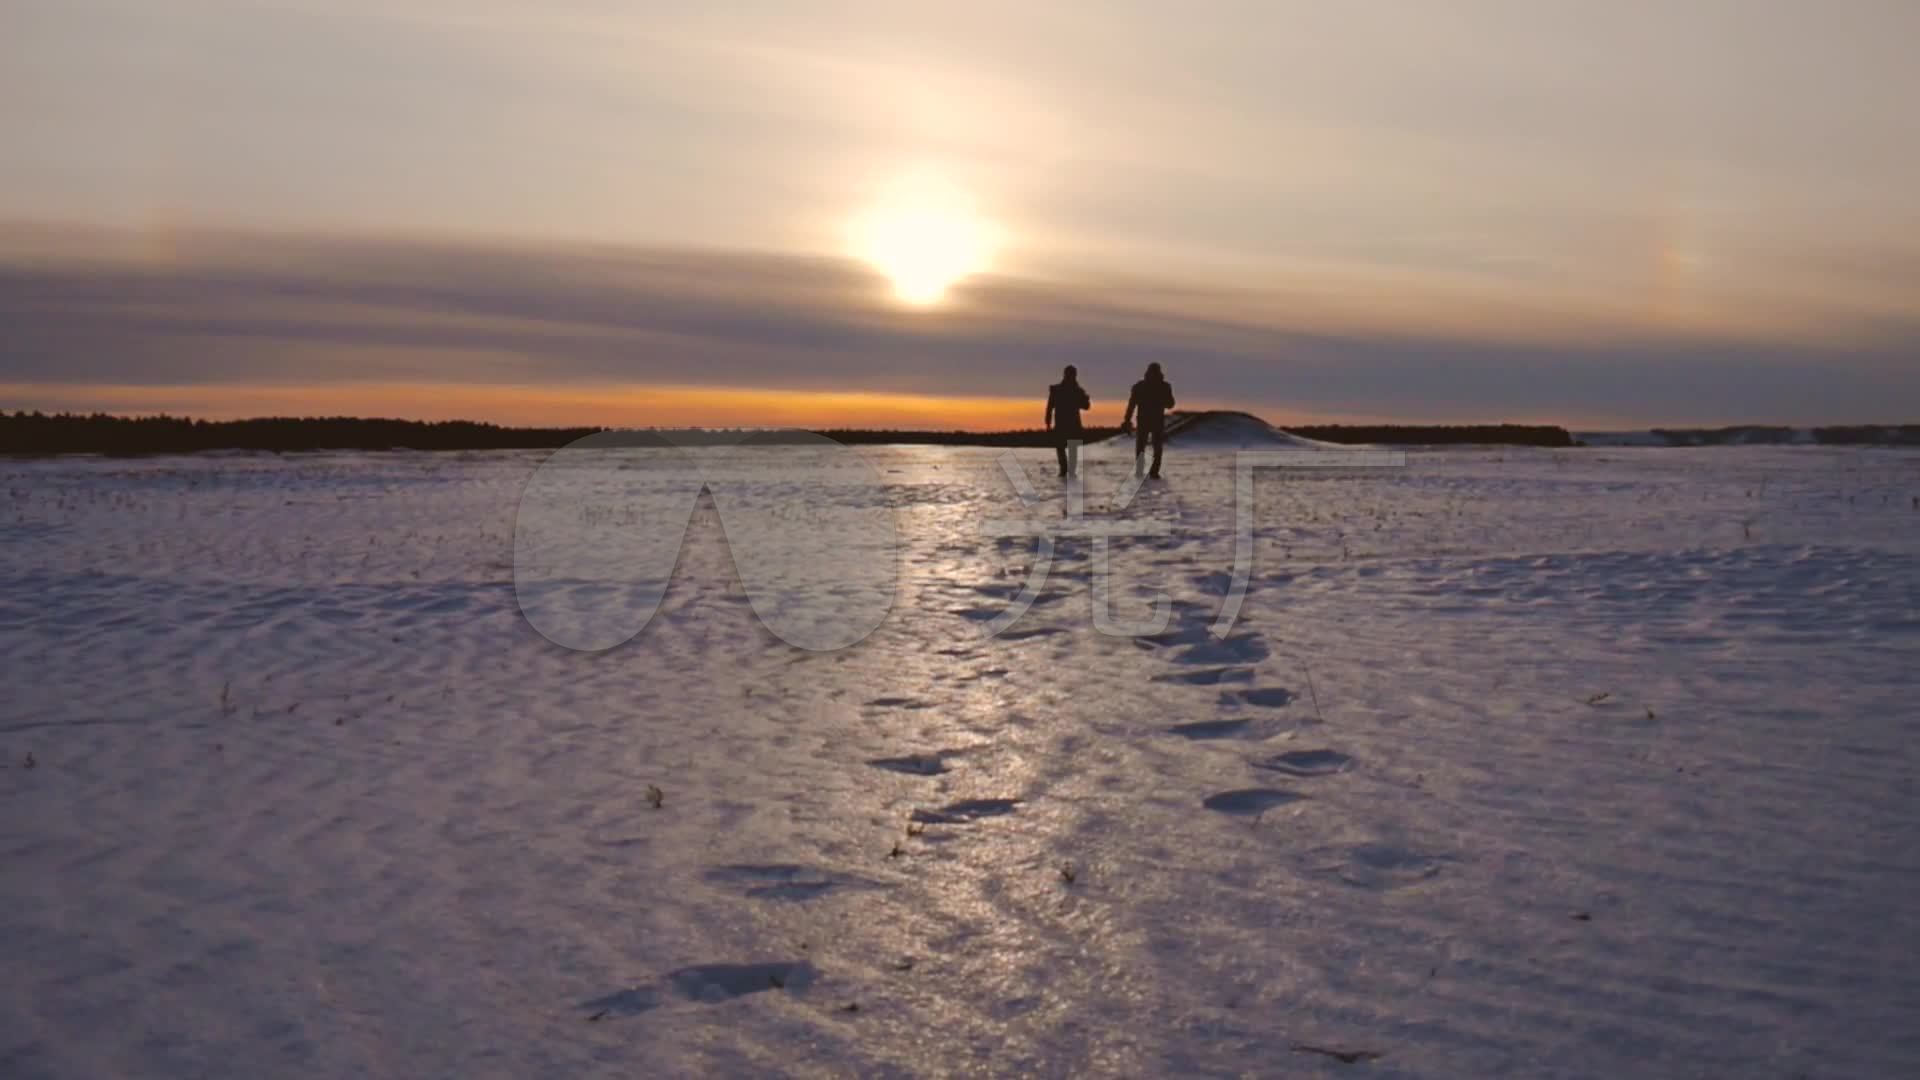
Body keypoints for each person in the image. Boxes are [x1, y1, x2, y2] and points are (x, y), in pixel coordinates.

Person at [1121, 362, 1176, 478]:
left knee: (1141, 446)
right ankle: (1154, 471)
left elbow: (1131, 405)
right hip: (1156, 420)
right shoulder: (1164, 386)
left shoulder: (1140, 386)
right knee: (1157, 447)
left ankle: (1141, 470)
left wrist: (1127, 419)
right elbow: (1170, 404)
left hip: (1144, 420)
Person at [1044, 365, 1091, 477]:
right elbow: (1050, 407)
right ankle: (1066, 470)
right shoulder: (1073, 390)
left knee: (1066, 448)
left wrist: (1048, 422)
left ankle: (1066, 470)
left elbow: (1085, 406)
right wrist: (1048, 422)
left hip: (1067, 425)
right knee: (1066, 448)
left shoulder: (1064, 390)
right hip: (1069, 425)